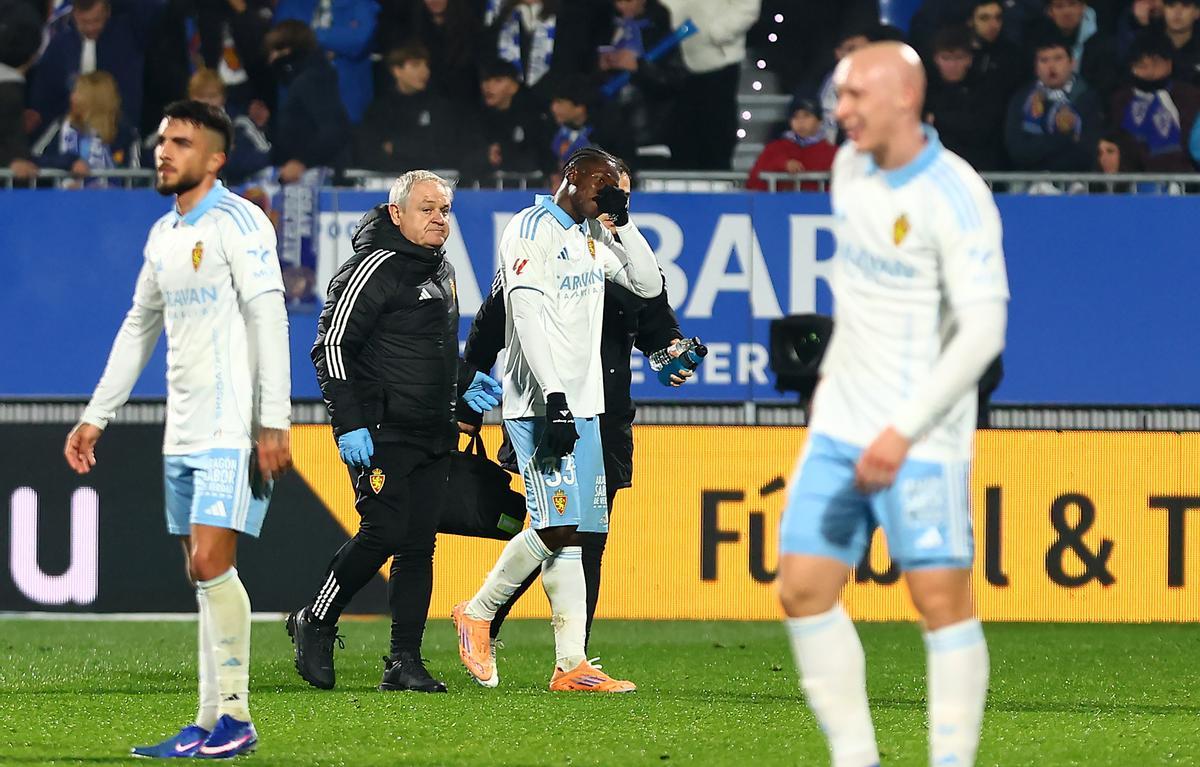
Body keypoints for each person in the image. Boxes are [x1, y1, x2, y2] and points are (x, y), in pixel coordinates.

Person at [777, 42, 1008, 767]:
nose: (838, 111)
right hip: (841, 426)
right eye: (837, 96)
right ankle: (856, 758)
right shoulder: (847, 168)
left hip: (923, 436)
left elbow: (984, 333)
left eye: (853, 97)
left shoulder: (956, 192)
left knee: (940, 602)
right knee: (802, 587)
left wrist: (904, 430)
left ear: (905, 97)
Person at [63, 99, 291, 759]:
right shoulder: (164, 234)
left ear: (215, 159)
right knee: (200, 571)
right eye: (162, 140)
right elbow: (139, 326)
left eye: (181, 142)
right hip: (182, 429)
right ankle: (206, 719)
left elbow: (269, 317)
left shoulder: (240, 222)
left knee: (212, 562)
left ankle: (238, 717)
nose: (163, 151)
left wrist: (271, 419)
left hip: (232, 425)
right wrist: (96, 414)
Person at [457, 162, 688, 669]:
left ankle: (572, 664)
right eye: (600, 186)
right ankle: (477, 612)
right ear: (571, 178)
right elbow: (522, 315)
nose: (607, 197)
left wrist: (623, 226)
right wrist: (555, 397)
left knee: (582, 532)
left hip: (589, 408)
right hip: (541, 405)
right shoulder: (528, 230)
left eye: (616, 191)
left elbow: (648, 287)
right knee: (556, 525)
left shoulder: (587, 237)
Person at [286, 170, 503, 693]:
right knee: (383, 532)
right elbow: (330, 347)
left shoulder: (443, 270)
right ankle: (314, 619)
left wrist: (463, 387)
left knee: (418, 546)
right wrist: (349, 424)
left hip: (432, 431)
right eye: (426, 209)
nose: (438, 219)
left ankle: (403, 661)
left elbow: (433, 352)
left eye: (444, 210)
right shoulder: (371, 267)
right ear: (395, 213)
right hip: (380, 430)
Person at [660, 0, 760, 169]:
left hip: (720, 61)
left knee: (717, 135)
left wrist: (717, 33)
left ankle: (719, 187)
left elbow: (747, 7)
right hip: (675, 60)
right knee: (681, 138)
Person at [27, 0, 151, 135]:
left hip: (121, 131)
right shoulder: (60, 45)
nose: (91, 27)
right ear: (74, 15)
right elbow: (45, 92)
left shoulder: (129, 34)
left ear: (108, 12)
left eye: (97, 20)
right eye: (85, 22)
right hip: (70, 133)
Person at [263, 20, 353, 183]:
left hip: (315, 177)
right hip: (307, 173)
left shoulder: (311, 80)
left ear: (286, 50)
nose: (270, 59)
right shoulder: (304, 78)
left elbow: (335, 128)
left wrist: (301, 161)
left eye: (273, 51)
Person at [354, 42, 466, 172]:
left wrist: (396, 148)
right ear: (397, 71)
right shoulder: (379, 109)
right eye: (416, 65)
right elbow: (368, 153)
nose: (425, 71)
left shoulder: (439, 107)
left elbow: (442, 150)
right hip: (389, 183)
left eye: (426, 65)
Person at [1004, 36, 1102, 171]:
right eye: (1044, 60)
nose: (1051, 66)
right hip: (1030, 184)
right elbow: (1018, 151)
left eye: (1058, 58)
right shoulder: (1021, 99)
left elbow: (1087, 151)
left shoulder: (1087, 98)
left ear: (1072, 62)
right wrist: (1064, 136)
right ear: (1036, 68)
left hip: (1075, 184)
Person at [273, 0, 379, 123]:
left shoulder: (360, 3)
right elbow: (282, 45)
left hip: (348, 105)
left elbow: (359, 41)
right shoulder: (290, 3)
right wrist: (335, 44)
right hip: (301, 108)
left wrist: (309, 36)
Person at [1110, 31, 1200, 171]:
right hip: (1130, 181)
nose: (1149, 72)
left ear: (1169, 64)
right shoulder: (1122, 100)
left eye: (1155, 64)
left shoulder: (1190, 97)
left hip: (1182, 180)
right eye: (1142, 66)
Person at [31, 70, 141, 183]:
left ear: (95, 98)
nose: (71, 97)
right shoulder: (61, 126)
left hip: (112, 199)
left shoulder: (125, 133)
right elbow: (35, 158)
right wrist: (69, 162)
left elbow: (137, 176)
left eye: (78, 92)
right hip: (64, 199)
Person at [924, 26, 1004, 170]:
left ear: (969, 59)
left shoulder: (986, 89)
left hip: (976, 168)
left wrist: (938, 120)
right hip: (933, 168)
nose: (953, 65)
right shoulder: (925, 91)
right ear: (936, 59)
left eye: (959, 58)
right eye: (946, 58)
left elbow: (983, 130)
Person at [473, 59, 555, 177]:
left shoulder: (534, 113)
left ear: (514, 86)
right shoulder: (480, 114)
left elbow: (539, 154)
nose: (488, 87)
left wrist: (503, 153)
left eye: (498, 81)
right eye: (486, 80)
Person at [746, 94, 837, 190]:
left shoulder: (833, 153)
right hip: (780, 204)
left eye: (807, 115)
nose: (801, 121)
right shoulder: (774, 149)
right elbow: (753, 182)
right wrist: (781, 165)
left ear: (819, 121)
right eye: (795, 117)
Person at [1164, 0, 1200, 85]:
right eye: (1171, 5)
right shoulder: (1144, 44)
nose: (1177, 12)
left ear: (1197, 12)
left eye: (1185, 5)